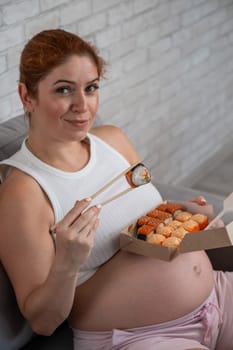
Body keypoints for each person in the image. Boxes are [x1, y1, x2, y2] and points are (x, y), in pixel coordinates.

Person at [0, 29, 232, 350]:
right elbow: (42, 322)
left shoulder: (112, 139)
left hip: (219, 294)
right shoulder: (23, 193)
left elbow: (150, 222)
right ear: (27, 96)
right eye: (64, 90)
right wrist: (68, 260)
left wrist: (189, 213)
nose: (82, 105)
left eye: (91, 88)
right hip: (143, 337)